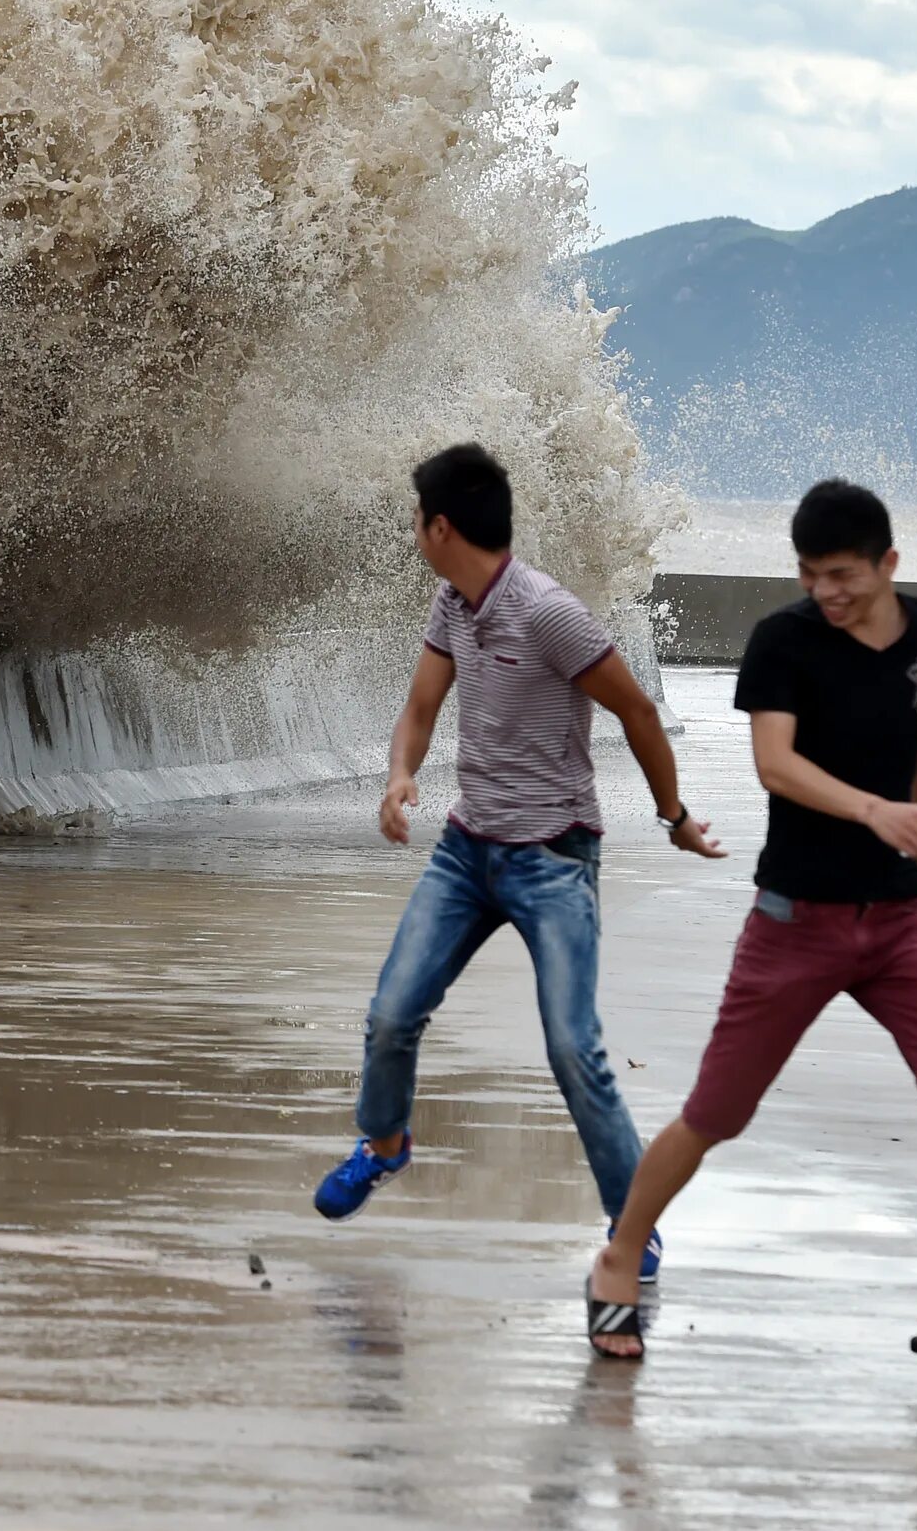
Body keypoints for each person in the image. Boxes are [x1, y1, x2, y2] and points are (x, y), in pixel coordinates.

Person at [585, 480, 917, 1369]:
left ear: (888, 565)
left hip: (899, 924)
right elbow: (775, 765)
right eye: (810, 574)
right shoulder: (783, 641)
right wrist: (874, 813)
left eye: (844, 576)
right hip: (796, 921)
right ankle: (615, 1263)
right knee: (714, 1116)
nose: (827, 592)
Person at [314, 444, 724, 1269]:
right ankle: (386, 1144)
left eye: (417, 522)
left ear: (441, 525)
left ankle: (631, 1225)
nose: (415, 537)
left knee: (575, 1049)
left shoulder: (548, 612)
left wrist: (672, 814)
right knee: (393, 1011)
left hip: (555, 858)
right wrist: (400, 777)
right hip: (468, 852)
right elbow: (421, 706)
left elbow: (638, 713)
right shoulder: (451, 604)